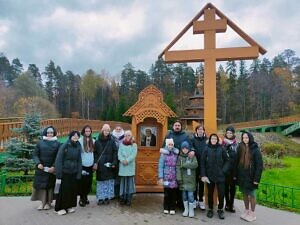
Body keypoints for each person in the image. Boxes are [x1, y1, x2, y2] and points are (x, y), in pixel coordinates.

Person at [163, 120, 192, 209]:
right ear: (173, 126)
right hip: (170, 162)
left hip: (181, 161)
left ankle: (180, 202)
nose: (177, 127)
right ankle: (169, 203)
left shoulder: (185, 135)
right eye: (175, 125)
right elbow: (163, 146)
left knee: (179, 182)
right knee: (170, 185)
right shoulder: (169, 135)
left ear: (181, 126)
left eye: (179, 125)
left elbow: (190, 146)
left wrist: (192, 151)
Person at [201, 133, 230, 220]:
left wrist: (223, 171)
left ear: (217, 140)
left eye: (215, 139)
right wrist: (203, 174)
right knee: (210, 193)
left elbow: (227, 161)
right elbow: (202, 163)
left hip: (220, 176)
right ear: (210, 140)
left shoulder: (221, 148)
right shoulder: (206, 149)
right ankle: (210, 209)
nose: (213, 140)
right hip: (210, 176)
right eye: (212, 139)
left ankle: (220, 209)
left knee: (221, 194)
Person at [31, 126, 60, 210]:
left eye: (51, 133)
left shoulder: (57, 143)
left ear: (54, 133)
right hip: (41, 168)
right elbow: (35, 154)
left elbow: (58, 156)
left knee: (50, 186)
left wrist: (54, 166)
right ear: (45, 133)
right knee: (41, 186)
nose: (50, 134)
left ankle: (48, 203)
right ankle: (42, 203)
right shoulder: (40, 143)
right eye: (48, 132)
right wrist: (38, 163)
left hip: (51, 169)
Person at [236, 131, 263, 222]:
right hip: (242, 176)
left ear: (250, 138)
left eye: (246, 138)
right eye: (243, 138)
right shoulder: (241, 148)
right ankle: (246, 210)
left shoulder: (255, 149)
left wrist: (256, 179)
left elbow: (259, 165)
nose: (245, 139)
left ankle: (252, 213)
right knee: (244, 194)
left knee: (252, 195)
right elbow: (237, 161)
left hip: (251, 177)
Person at [54, 130, 82, 215]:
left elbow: (79, 160)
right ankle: (60, 208)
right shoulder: (65, 145)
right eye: (74, 135)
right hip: (65, 172)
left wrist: (79, 173)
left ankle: (69, 206)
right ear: (70, 136)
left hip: (73, 171)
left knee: (72, 190)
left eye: (77, 136)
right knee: (63, 191)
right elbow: (59, 159)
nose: (75, 137)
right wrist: (59, 173)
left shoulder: (78, 146)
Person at [93, 124, 118, 205]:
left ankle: (107, 197)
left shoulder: (112, 141)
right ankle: (100, 198)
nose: (107, 132)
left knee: (108, 181)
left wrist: (114, 162)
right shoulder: (97, 141)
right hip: (100, 164)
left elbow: (115, 152)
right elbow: (95, 153)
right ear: (102, 130)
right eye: (105, 130)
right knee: (101, 182)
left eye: (108, 130)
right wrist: (96, 162)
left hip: (109, 164)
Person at [176, 141, 198, 218]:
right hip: (183, 180)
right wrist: (179, 178)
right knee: (184, 195)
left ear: (188, 149)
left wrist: (184, 165)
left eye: (186, 148)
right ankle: (186, 209)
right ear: (181, 149)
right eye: (183, 148)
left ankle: (191, 210)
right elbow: (178, 168)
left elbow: (195, 165)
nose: (185, 150)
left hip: (191, 180)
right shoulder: (179, 157)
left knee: (191, 195)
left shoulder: (192, 156)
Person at [158, 138, 179, 215]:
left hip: (174, 176)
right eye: (169, 144)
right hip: (166, 175)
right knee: (166, 193)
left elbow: (177, 165)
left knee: (173, 193)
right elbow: (161, 166)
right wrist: (160, 177)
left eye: (172, 144)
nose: (171, 146)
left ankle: (172, 207)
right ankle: (166, 207)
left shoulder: (175, 153)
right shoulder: (163, 154)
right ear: (167, 145)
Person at [118, 130, 137, 206]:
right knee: (123, 183)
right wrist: (122, 160)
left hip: (130, 166)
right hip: (123, 166)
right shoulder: (121, 144)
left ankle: (129, 198)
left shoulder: (134, 145)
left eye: (128, 135)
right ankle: (122, 198)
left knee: (129, 183)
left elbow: (133, 154)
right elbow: (119, 154)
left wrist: (127, 160)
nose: (127, 137)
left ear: (131, 136)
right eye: (125, 135)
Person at [191, 124, 207, 210]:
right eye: (199, 129)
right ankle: (194, 200)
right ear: (196, 131)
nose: (200, 131)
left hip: (203, 165)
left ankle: (201, 200)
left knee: (201, 183)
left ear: (204, 131)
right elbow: (191, 148)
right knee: (194, 183)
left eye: (202, 129)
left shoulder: (207, 140)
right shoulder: (193, 139)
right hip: (195, 164)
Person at [222, 126, 238, 213]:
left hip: (233, 170)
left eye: (230, 133)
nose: (229, 134)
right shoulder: (223, 143)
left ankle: (231, 204)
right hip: (225, 169)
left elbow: (238, 158)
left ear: (233, 134)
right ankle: (227, 203)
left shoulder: (236, 144)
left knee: (232, 188)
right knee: (225, 188)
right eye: (227, 133)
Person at [78, 125, 94, 207]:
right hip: (83, 165)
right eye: (86, 131)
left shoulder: (93, 141)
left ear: (91, 132)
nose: (88, 132)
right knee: (82, 183)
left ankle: (86, 197)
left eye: (89, 131)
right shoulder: (80, 141)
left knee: (88, 182)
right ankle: (81, 198)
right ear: (83, 132)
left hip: (90, 165)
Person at [111, 124, 125, 199]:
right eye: (117, 129)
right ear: (115, 129)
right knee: (113, 176)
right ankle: (113, 193)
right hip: (114, 159)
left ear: (121, 129)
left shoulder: (124, 136)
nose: (118, 130)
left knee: (120, 176)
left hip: (122, 159)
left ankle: (120, 193)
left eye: (120, 129)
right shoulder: (111, 137)